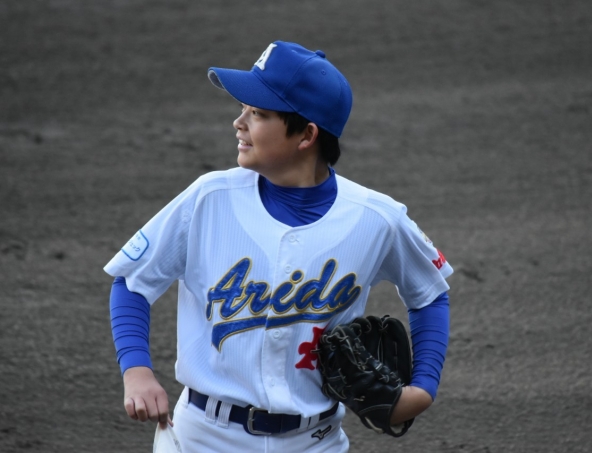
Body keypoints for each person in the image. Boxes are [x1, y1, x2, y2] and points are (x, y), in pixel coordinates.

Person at [105, 41, 454, 452]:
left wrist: (423, 387)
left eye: (257, 113)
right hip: (203, 436)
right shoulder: (208, 198)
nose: (239, 122)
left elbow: (430, 293)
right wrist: (137, 370)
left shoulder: (376, 218)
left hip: (316, 441)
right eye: (244, 109)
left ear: (307, 134)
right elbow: (132, 281)